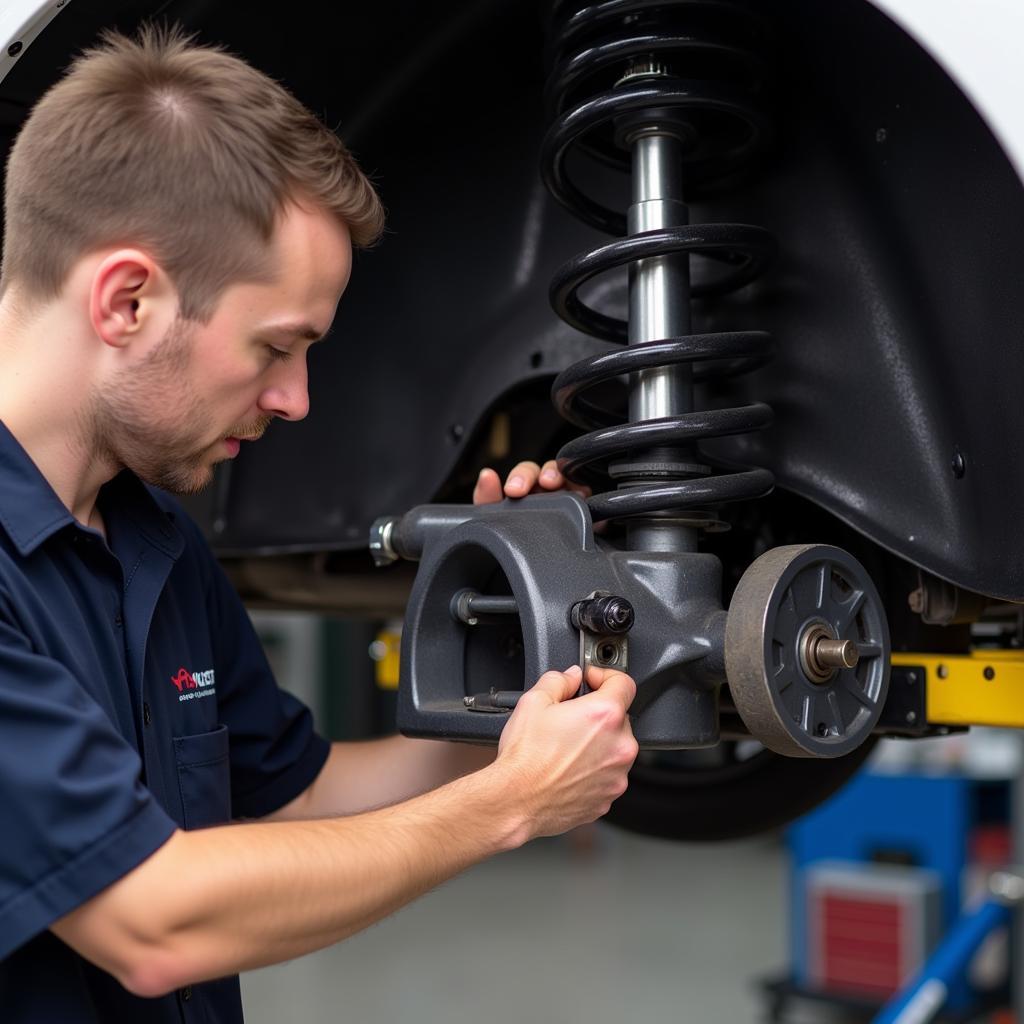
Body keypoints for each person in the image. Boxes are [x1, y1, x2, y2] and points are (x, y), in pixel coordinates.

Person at [0, 24, 639, 1023]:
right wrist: (509, 804)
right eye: (274, 347)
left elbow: (300, 797)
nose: (295, 399)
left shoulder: (152, 539)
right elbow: (151, 922)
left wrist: (518, 659)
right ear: (126, 299)